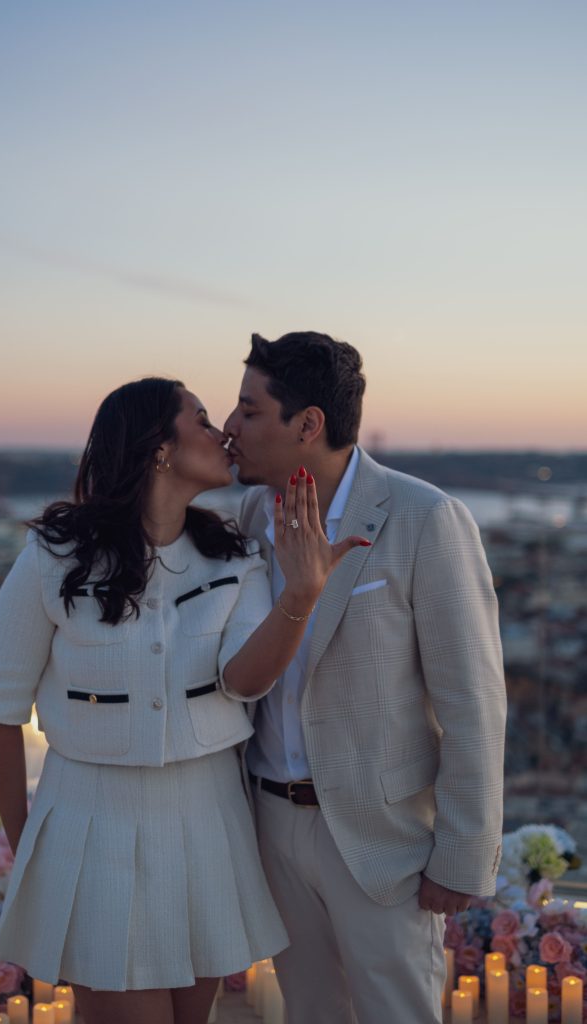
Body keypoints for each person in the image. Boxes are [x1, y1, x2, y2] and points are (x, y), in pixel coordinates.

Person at [0, 377, 370, 1024]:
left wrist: (299, 597)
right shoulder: (53, 557)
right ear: (158, 446)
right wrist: (28, 853)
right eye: (204, 419)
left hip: (209, 827)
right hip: (92, 830)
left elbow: (245, 681)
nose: (223, 434)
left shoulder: (232, 558)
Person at [223, 332, 507, 1024]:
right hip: (267, 825)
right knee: (309, 1013)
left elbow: (472, 701)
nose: (229, 428)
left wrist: (462, 857)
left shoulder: (424, 517)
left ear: (308, 423)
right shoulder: (248, 518)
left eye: (249, 411)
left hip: (379, 839)